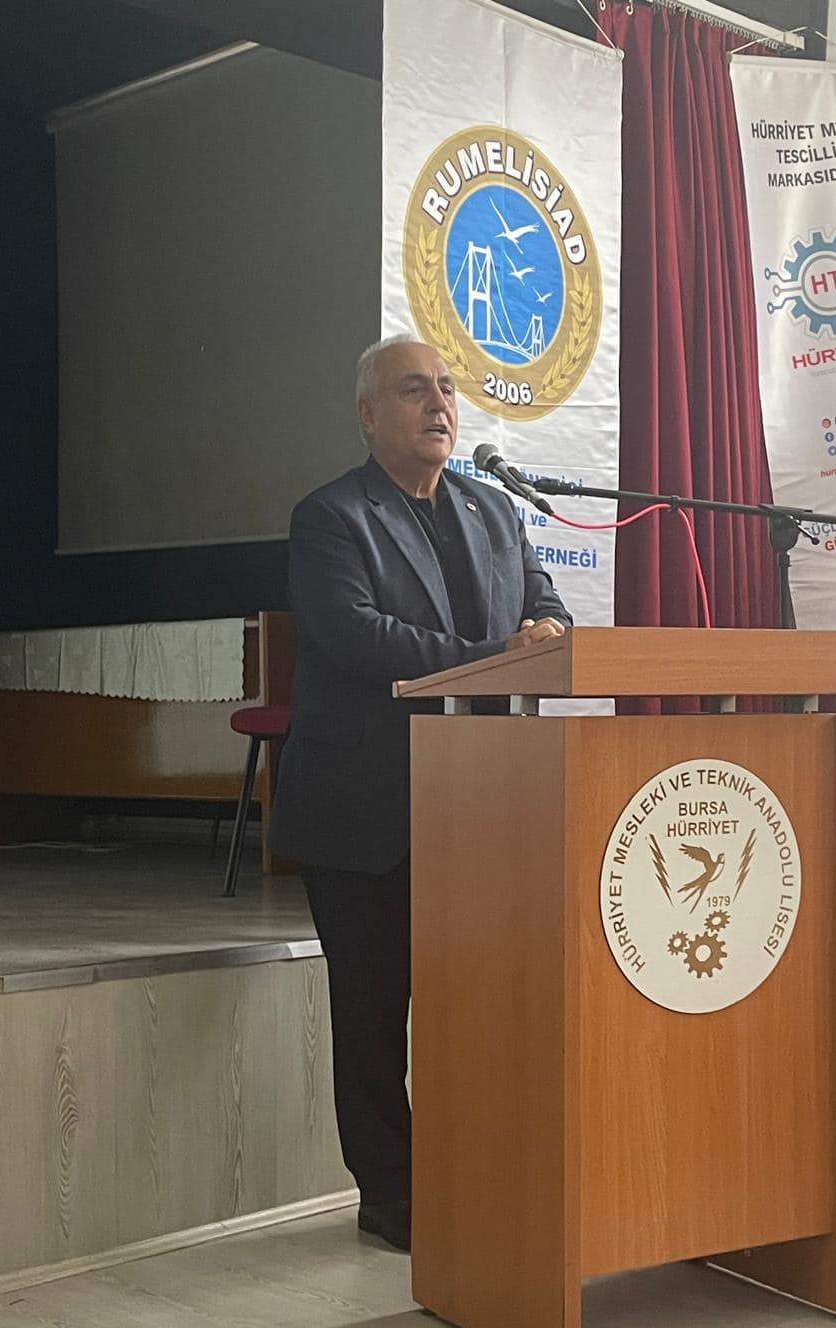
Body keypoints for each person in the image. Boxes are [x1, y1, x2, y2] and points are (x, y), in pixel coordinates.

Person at [269, 335, 572, 1251]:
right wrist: (494, 657)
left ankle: (471, 1169)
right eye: (414, 390)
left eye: (446, 387)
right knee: (372, 1017)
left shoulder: (494, 508)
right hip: (364, 809)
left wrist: (546, 628)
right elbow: (356, 635)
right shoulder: (332, 516)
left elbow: (545, 604)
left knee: (473, 1009)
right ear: (369, 415)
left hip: (478, 806)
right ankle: (391, 1195)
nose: (439, 403)